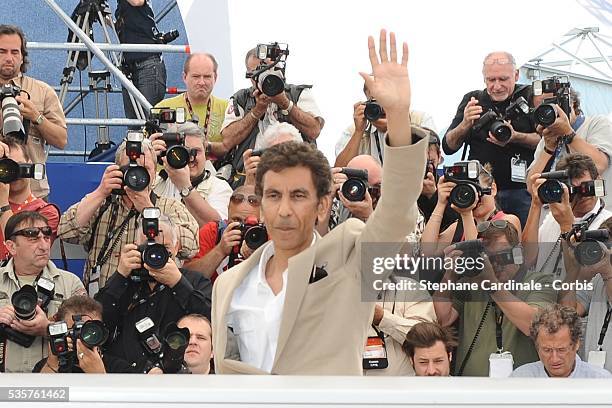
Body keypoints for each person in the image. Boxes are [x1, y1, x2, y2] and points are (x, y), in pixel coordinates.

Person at [211, 29, 428, 375]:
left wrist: (398, 116)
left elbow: (398, 208)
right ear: (261, 204)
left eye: (298, 196)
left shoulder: (350, 261)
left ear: (323, 205)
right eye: (273, 195)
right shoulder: (229, 285)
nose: (284, 209)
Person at [58, 137, 199, 294]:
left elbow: (190, 246)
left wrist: (148, 209)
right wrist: (101, 192)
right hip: (102, 301)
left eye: (145, 168)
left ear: (155, 172)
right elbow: (65, 231)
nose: (137, 175)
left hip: (152, 302)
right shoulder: (103, 204)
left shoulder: (170, 207)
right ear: (118, 170)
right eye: (131, 168)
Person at [433, 221, 556, 376]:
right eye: (489, 258)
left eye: (502, 256)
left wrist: (493, 285)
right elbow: (443, 318)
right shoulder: (473, 283)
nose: (495, 264)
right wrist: (450, 273)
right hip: (470, 388)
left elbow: (533, 325)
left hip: (521, 390)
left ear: (517, 253)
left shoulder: (541, 282)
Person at [96, 215, 211, 371]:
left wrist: (177, 283)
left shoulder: (195, 281)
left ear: (176, 248)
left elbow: (210, 320)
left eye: (164, 248)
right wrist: (120, 275)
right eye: (149, 248)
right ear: (136, 247)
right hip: (126, 375)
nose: (155, 255)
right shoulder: (124, 282)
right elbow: (98, 322)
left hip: (176, 374)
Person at [442, 51, 539, 227]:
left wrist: (515, 137)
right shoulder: (473, 100)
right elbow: (448, 147)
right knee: (480, 246)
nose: (497, 86)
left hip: (522, 191)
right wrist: (465, 123)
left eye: (503, 79)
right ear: (483, 78)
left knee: (525, 248)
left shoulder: (530, 96)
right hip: (481, 193)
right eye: (491, 80)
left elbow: (547, 141)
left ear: (516, 75)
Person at [210, 46, 324, 188]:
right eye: (258, 72)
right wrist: (256, 111)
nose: (265, 76)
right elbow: (228, 139)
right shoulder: (241, 98)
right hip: (251, 174)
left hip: (297, 171)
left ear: (279, 69)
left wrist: (285, 103)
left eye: (269, 69)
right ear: (250, 76)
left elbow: (314, 130)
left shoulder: (298, 93)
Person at [0, 211, 85, 372]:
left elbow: (89, 338)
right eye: (33, 238)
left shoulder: (70, 283)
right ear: (11, 246)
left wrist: (48, 329)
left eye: (46, 237)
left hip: (53, 384)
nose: (44, 246)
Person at [0, 25, 67, 199]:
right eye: (2, 51)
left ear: (22, 57)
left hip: (33, 193)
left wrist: (36, 117)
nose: (9, 58)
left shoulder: (42, 91)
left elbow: (61, 140)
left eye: (15, 52)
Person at [524, 153, 612, 278]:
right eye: (574, 191)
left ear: (598, 181)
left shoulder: (607, 223)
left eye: (587, 187)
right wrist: (535, 204)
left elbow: (583, 277)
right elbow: (527, 259)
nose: (582, 196)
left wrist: (567, 227)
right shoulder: (553, 216)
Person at [527, 90, 612, 207]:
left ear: (573, 104)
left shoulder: (596, 124)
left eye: (554, 105)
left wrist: (568, 133)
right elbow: (531, 188)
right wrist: (548, 149)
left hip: (594, 216)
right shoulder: (546, 139)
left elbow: (599, 165)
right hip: (555, 217)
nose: (548, 112)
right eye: (541, 108)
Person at [421, 163, 521, 257]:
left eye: (477, 190)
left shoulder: (508, 221)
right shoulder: (459, 226)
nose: (474, 197)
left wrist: (466, 214)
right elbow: (427, 252)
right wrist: (441, 203)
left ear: (493, 189)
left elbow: (478, 261)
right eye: (466, 191)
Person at [334, 81, 436, 167]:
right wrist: (358, 131)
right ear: (366, 102)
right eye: (375, 101)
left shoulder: (421, 120)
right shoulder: (354, 130)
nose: (382, 107)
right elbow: (339, 171)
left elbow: (431, 161)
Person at [151, 121, 232, 225]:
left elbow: (218, 228)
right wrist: (147, 159)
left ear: (205, 153)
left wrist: (185, 187)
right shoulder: (155, 182)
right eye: (182, 152)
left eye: (195, 151)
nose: (190, 158)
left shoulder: (219, 187)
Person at [558, 216, 612, 372]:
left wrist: (607, 270)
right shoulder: (597, 279)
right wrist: (574, 267)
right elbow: (568, 314)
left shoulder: (604, 273)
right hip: (594, 379)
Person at [35, 295, 139, 374]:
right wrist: (52, 365)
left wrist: (99, 374)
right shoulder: (45, 365)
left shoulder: (120, 369)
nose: (83, 337)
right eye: (75, 331)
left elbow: (125, 401)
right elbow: (36, 400)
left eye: (91, 330)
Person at [183, 185, 261, 281]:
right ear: (228, 211)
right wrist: (220, 250)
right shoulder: (214, 231)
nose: (244, 228)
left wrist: (260, 256)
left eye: (250, 223)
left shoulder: (272, 237)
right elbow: (187, 279)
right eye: (236, 220)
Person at [511, 304, 611, 378]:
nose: (554, 359)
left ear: (576, 344)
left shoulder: (600, 380)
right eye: (547, 350)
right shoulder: (520, 378)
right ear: (537, 347)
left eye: (561, 350)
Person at [0, 138, 60, 260]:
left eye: (18, 166)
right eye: (5, 167)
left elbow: (21, 253)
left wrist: (3, 203)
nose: (13, 172)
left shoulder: (46, 212)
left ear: (30, 164)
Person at [154, 53, 228, 144]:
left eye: (207, 77)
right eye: (196, 76)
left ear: (215, 78)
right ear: (184, 77)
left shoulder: (228, 109)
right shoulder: (163, 108)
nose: (201, 82)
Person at [115, 0, 167, 120]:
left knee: (149, 121)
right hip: (130, 67)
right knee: (134, 125)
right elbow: (127, 28)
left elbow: (137, 1)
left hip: (148, 65)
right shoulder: (122, 6)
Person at [416, 129, 458, 229]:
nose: (426, 167)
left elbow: (456, 223)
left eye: (430, 162)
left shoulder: (450, 185)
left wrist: (433, 195)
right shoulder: (398, 185)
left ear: (439, 156)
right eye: (419, 161)